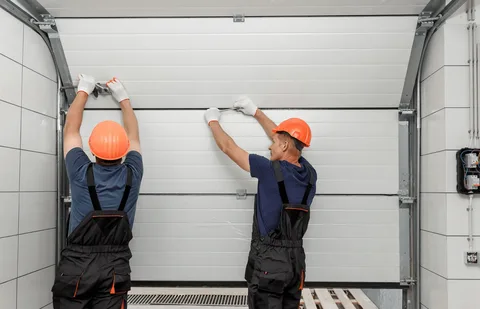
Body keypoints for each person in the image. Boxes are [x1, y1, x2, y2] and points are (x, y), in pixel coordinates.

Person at [204, 97, 317, 309]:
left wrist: (213, 121)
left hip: (270, 262)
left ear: (284, 145)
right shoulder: (310, 174)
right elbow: (289, 142)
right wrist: (256, 112)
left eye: (274, 143)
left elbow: (228, 147)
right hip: (296, 263)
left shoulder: (268, 170)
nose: (270, 144)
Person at [52, 74, 143, 309]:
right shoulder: (133, 173)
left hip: (78, 266)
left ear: (92, 149)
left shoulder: (81, 171)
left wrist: (83, 90)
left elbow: (71, 129)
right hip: (115, 266)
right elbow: (134, 135)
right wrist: (123, 98)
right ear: (123, 151)